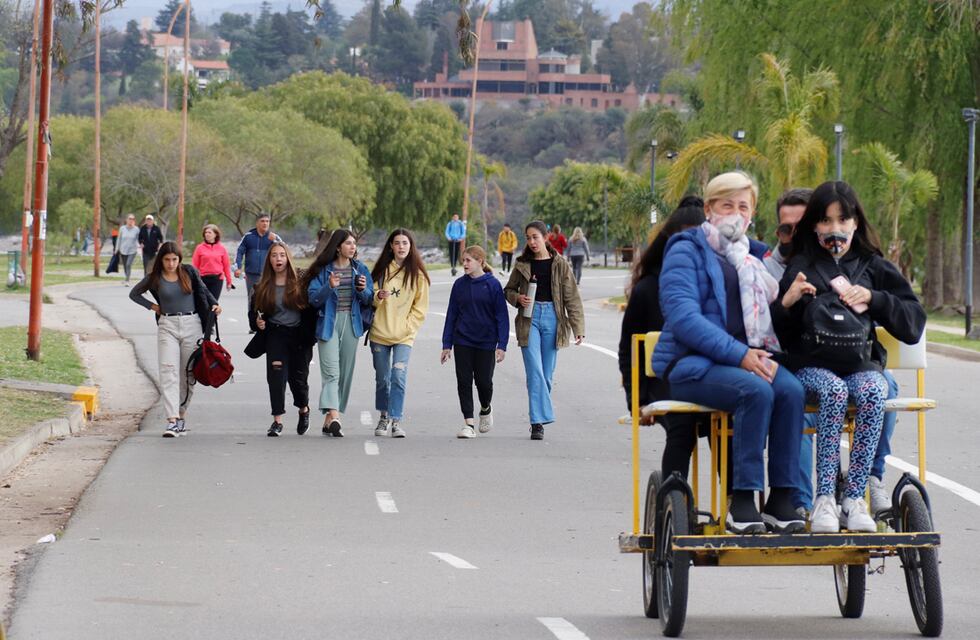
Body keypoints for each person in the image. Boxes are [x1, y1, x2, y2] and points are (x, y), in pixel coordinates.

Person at [651, 171, 805, 534]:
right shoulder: (686, 249)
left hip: (745, 359)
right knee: (755, 391)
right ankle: (743, 499)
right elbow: (684, 317)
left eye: (743, 207)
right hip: (691, 363)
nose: (736, 213)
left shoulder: (752, 254)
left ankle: (782, 498)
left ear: (752, 213)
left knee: (791, 391)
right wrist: (740, 355)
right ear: (709, 209)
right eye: (727, 205)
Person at [773, 181, 925, 533]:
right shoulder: (801, 265)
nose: (835, 229)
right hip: (811, 368)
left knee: (875, 389)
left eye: (843, 220)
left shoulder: (874, 266)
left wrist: (874, 298)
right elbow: (778, 334)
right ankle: (824, 497)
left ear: (856, 222)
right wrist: (787, 302)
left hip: (860, 365)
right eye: (826, 220)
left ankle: (855, 497)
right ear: (814, 225)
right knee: (834, 392)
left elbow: (914, 324)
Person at [619, 197, 707, 478]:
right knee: (683, 426)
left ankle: (735, 498)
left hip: (708, 376)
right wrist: (637, 400)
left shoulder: (717, 281)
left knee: (730, 430)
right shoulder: (648, 288)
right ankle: (674, 493)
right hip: (663, 380)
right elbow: (629, 348)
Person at [129, 241, 221, 437]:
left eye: (174, 259)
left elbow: (204, 290)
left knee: (188, 373)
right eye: (167, 260)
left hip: (192, 324)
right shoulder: (154, 277)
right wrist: (152, 306)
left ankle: (181, 414)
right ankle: (171, 420)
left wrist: (215, 304)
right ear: (161, 260)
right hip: (167, 325)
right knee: (168, 371)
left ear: (179, 259)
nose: (171, 264)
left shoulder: (189, 273)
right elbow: (134, 294)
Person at [504, 220, 585, 441]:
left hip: (553, 319)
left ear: (546, 237)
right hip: (528, 320)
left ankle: (539, 414)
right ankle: (537, 422)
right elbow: (508, 290)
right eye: (528, 238)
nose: (531, 242)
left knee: (546, 375)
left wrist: (578, 327)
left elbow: (572, 298)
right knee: (535, 371)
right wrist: (517, 298)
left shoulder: (560, 264)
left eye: (535, 237)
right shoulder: (522, 264)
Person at [305, 230, 373, 437]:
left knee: (344, 374)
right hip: (328, 323)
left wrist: (362, 290)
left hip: (351, 324)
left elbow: (369, 298)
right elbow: (313, 299)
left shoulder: (360, 269)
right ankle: (335, 417)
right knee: (331, 373)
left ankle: (329, 421)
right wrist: (329, 286)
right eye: (348, 243)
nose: (353, 247)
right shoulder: (323, 270)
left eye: (354, 243)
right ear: (337, 247)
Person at [440, 245, 509, 439]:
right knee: (463, 381)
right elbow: (451, 315)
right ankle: (468, 424)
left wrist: (502, 345)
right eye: (463, 260)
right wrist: (447, 345)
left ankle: (486, 407)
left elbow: (502, 317)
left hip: (486, 342)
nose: (464, 264)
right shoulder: (459, 285)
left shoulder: (493, 285)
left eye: (468, 260)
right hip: (462, 340)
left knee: (484, 382)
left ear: (480, 261)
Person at [370, 229, 430, 438]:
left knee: (398, 376)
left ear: (411, 246)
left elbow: (420, 308)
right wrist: (378, 296)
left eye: (405, 243)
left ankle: (396, 420)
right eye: (397, 243)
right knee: (382, 378)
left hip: (404, 335)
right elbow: (369, 298)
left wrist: (408, 327)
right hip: (380, 333)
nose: (401, 246)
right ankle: (383, 416)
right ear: (391, 246)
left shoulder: (418, 275)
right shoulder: (381, 271)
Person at [250, 242, 315, 437]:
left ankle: (303, 409)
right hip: (275, 335)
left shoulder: (301, 282)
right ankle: (277, 421)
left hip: (299, 336)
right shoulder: (262, 286)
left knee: (298, 380)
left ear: (288, 258)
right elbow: (254, 313)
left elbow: (312, 309)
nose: (278, 259)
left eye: (281, 255)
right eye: (274, 255)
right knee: (276, 377)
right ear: (269, 260)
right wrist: (257, 322)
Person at [234, 213, 279, 306]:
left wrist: (275, 241)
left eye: (267, 221)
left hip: (268, 274)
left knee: (267, 299)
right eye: (262, 221)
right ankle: (252, 316)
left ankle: (265, 315)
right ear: (257, 223)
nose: (265, 223)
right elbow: (239, 252)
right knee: (252, 299)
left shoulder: (273, 237)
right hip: (251, 275)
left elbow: (285, 251)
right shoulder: (248, 236)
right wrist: (238, 267)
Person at [192, 224, 234, 301]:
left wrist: (229, 281)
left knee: (214, 303)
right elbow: (195, 266)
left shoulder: (222, 249)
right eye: (205, 232)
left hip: (217, 279)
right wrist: (194, 280)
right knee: (204, 303)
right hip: (202, 279)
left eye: (209, 232)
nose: (207, 234)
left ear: (215, 234)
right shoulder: (199, 248)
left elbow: (226, 266)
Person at [116, 214, 141, 285]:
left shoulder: (136, 229)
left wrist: (140, 246)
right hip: (123, 250)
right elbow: (119, 239)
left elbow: (139, 239)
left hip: (132, 250)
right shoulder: (122, 228)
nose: (131, 220)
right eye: (130, 218)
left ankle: (127, 280)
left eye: (132, 219)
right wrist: (117, 248)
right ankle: (127, 277)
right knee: (125, 265)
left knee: (128, 264)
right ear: (126, 220)